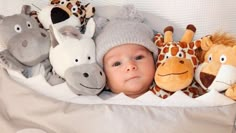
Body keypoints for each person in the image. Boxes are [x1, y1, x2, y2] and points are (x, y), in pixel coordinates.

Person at [95, 5, 158, 98]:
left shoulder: (172, 96)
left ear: (154, 61)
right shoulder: (96, 103)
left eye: (139, 57)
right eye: (116, 63)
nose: (130, 66)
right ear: (104, 78)